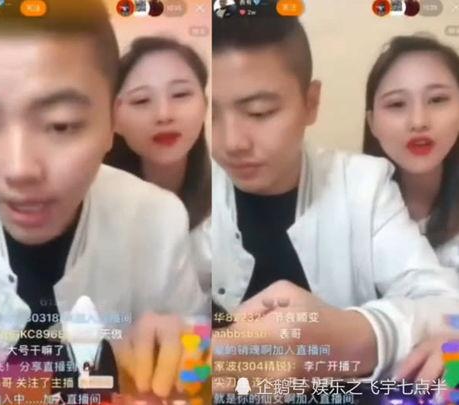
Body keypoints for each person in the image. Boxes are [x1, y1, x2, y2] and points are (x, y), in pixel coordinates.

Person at [0, 0, 207, 400]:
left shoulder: (157, 219)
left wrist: (187, 351)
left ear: (112, 122)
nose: (19, 168)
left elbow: (196, 349)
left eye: (61, 124)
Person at [211, 14, 459, 384]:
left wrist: (352, 336)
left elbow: (442, 302)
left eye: (260, 112)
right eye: (210, 115)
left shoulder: (364, 185)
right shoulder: (185, 199)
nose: (232, 142)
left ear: (311, 102)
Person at [363, 35, 459, 383]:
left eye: (437, 100)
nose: (418, 121)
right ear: (372, 123)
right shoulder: (353, 207)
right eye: (396, 104)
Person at [105, 37, 211, 292]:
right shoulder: (94, 204)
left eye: (181, 94)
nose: (164, 115)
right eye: (141, 100)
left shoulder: (227, 199)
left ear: (205, 105)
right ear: (114, 118)